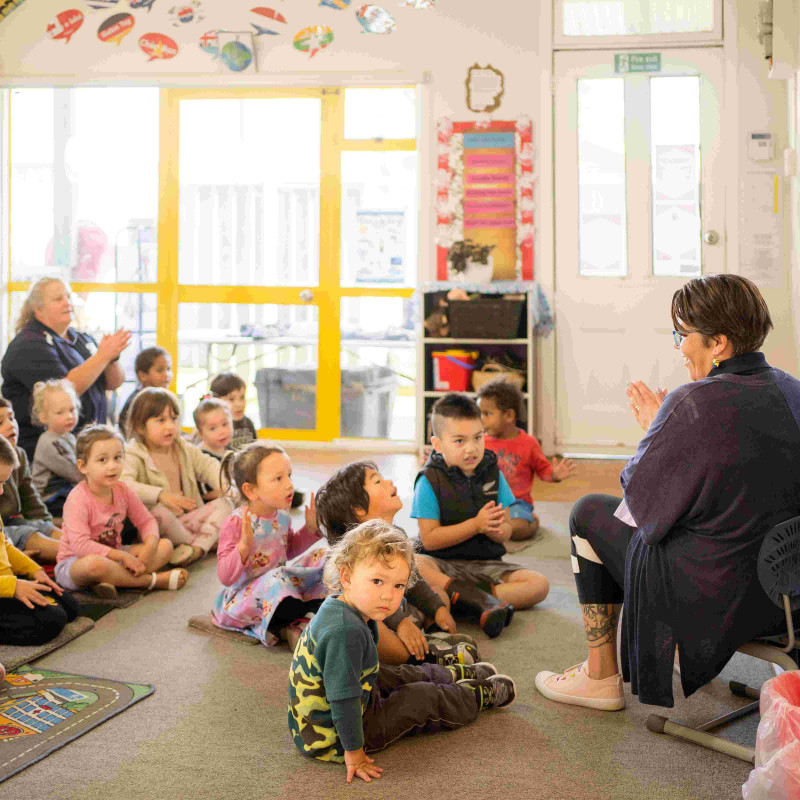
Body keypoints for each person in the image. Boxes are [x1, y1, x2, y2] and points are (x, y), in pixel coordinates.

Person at [536, 274, 800, 711]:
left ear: (717, 343)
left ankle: (600, 677)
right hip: (788, 598)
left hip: (719, 604)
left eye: (682, 335)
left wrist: (655, 431)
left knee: (588, 512)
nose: (679, 348)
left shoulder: (690, 403)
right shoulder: (793, 389)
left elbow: (639, 509)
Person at [288, 519, 515, 783]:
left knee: (396, 674)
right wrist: (355, 753)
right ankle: (472, 696)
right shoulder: (343, 632)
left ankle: (450, 675)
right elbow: (344, 702)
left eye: (398, 586)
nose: (389, 596)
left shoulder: (349, 607)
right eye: (377, 581)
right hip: (334, 735)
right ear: (346, 577)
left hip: (351, 697)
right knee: (421, 699)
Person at [411, 393, 550, 638]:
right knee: (414, 565)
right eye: (459, 441)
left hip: (485, 566)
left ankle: (468, 600)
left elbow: (506, 529)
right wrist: (475, 525)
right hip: (441, 564)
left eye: (477, 437)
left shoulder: (493, 474)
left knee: (539, 585)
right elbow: (430, 539)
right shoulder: (429, 481)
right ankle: (476, 600)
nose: (471, 448)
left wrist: (499, 531)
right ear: (438, 444)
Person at [316, 459, 479, 666]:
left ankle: (433, 637)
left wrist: (437, 609)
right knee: (368, 627)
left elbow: (415, 582)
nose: (389, 482)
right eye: (377, 482)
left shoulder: (398, 536)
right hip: (373, 616)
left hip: (397, 608)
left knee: (438, 593)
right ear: (358, 508)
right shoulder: (352, 552)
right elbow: (366, 601)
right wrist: (400, 622)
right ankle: (418, 659)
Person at [1, 277, 129, 460]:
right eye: (58, 299)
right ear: (38, 309)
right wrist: (103, 355)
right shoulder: (28, 344)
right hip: (50, 455)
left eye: (68, 297)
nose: (67, 303)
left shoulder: (82, 338)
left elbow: (113, 383)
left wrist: (112, 357)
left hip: (90, 447)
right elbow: (63, 391)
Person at [212, 442, 326, 648]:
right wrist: (243, 548)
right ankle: (305, 614)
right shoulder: (236, 522)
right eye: (278, 479)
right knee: (276, 579)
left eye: (289, 475)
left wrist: (310, 531)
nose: (289, 485)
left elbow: (287, 550)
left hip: (279, 584)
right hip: (242, 601)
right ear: (251, 490)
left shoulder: (282, 514)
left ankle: (298, 617)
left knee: (323, 555)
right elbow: (225, 576)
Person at [55, 424, 187, 597]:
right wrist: (124, 557)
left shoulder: (122, 490)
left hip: (114, 556)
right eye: (102, 460)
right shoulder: (77, 499)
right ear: (83, 466)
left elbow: (146, 520)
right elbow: (81, 546)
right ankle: (152, 581)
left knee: (165, 546)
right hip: (76, 562)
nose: (112, 466)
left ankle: (114, 580)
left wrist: (150, 544)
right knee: (96, 565)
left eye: (117, 458)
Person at [121, 388, 233, 566]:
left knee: (226, 503)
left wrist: (227, 485)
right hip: (160, 526)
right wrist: (160, 495)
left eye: (173, 419)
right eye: (161, 420)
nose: (170, 426)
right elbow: (124, 484)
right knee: (160, 513)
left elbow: (208, 465)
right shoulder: (133, 452)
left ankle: (195, 549)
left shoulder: (181, 446)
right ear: (140, 427)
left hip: (191, 518)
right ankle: (206, 542)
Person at [0, 433, 80, 646]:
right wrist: (15, 586)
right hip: (5, 587)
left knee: (69, 605)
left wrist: (34, 570)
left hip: (7, 583)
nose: (1, 491)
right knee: (52, 620)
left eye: (3, 484)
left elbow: (5, 546)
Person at [477, 379, 575, 540]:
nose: (481, 419)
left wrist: (555, 474)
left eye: (487, 414)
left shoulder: (529, 443)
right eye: (479, 413)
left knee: (519, 529)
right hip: (485, 501)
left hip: (516, 503)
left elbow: (543, 470)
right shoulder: (479, 441)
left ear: (509, 415)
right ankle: (494, 530)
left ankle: (529, 523)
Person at [0, 398, 62, 564]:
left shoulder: (18, 454)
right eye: (0, 422)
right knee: (28, 534)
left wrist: (47, 524)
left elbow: (30, 500)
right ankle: (87, 560)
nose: (10, 424)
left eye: (11, 418)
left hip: (8, 522)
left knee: (44, 527)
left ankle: (92, 555)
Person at [31, 379, 84, 517]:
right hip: (48, 499)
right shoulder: (49, 443)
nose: (69, 416)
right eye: (60, 413)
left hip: (65, 489)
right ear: (43, 417)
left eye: (72, 410)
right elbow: (76, 474)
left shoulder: (68, 437)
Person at [117, 346, 172, 437]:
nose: (167, 375)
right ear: (143, 375)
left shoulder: (163, 398)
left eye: (169, 369)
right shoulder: (136, 401)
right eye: (159, 370)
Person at [192, 397, 233, 500]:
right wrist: (228, 492)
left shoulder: (229, 450)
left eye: (225, 424)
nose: (221, 431)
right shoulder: (200, 457)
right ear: (200, 433)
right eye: (213, 428)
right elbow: (203, 496)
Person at [209, 372, 257, 451]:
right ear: (216, 401)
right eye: (231, 399)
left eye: (242, 397)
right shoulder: (215, 429)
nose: (239, 404)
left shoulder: (248, 423)